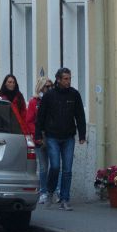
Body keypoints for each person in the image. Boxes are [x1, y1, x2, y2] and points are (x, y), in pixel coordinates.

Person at [33, 67, 88, 209]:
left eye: (69, 78)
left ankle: (65, 198)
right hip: (52, 136)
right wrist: (38, 134)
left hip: (69, 136)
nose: (68, 81)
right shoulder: (49, 96)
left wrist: (82, 135)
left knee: (68, 169)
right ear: (58, 79)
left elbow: (80, 115)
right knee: (55, 166)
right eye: (65, 79)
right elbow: (41, 117)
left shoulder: (74, 95)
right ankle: (50, 191)